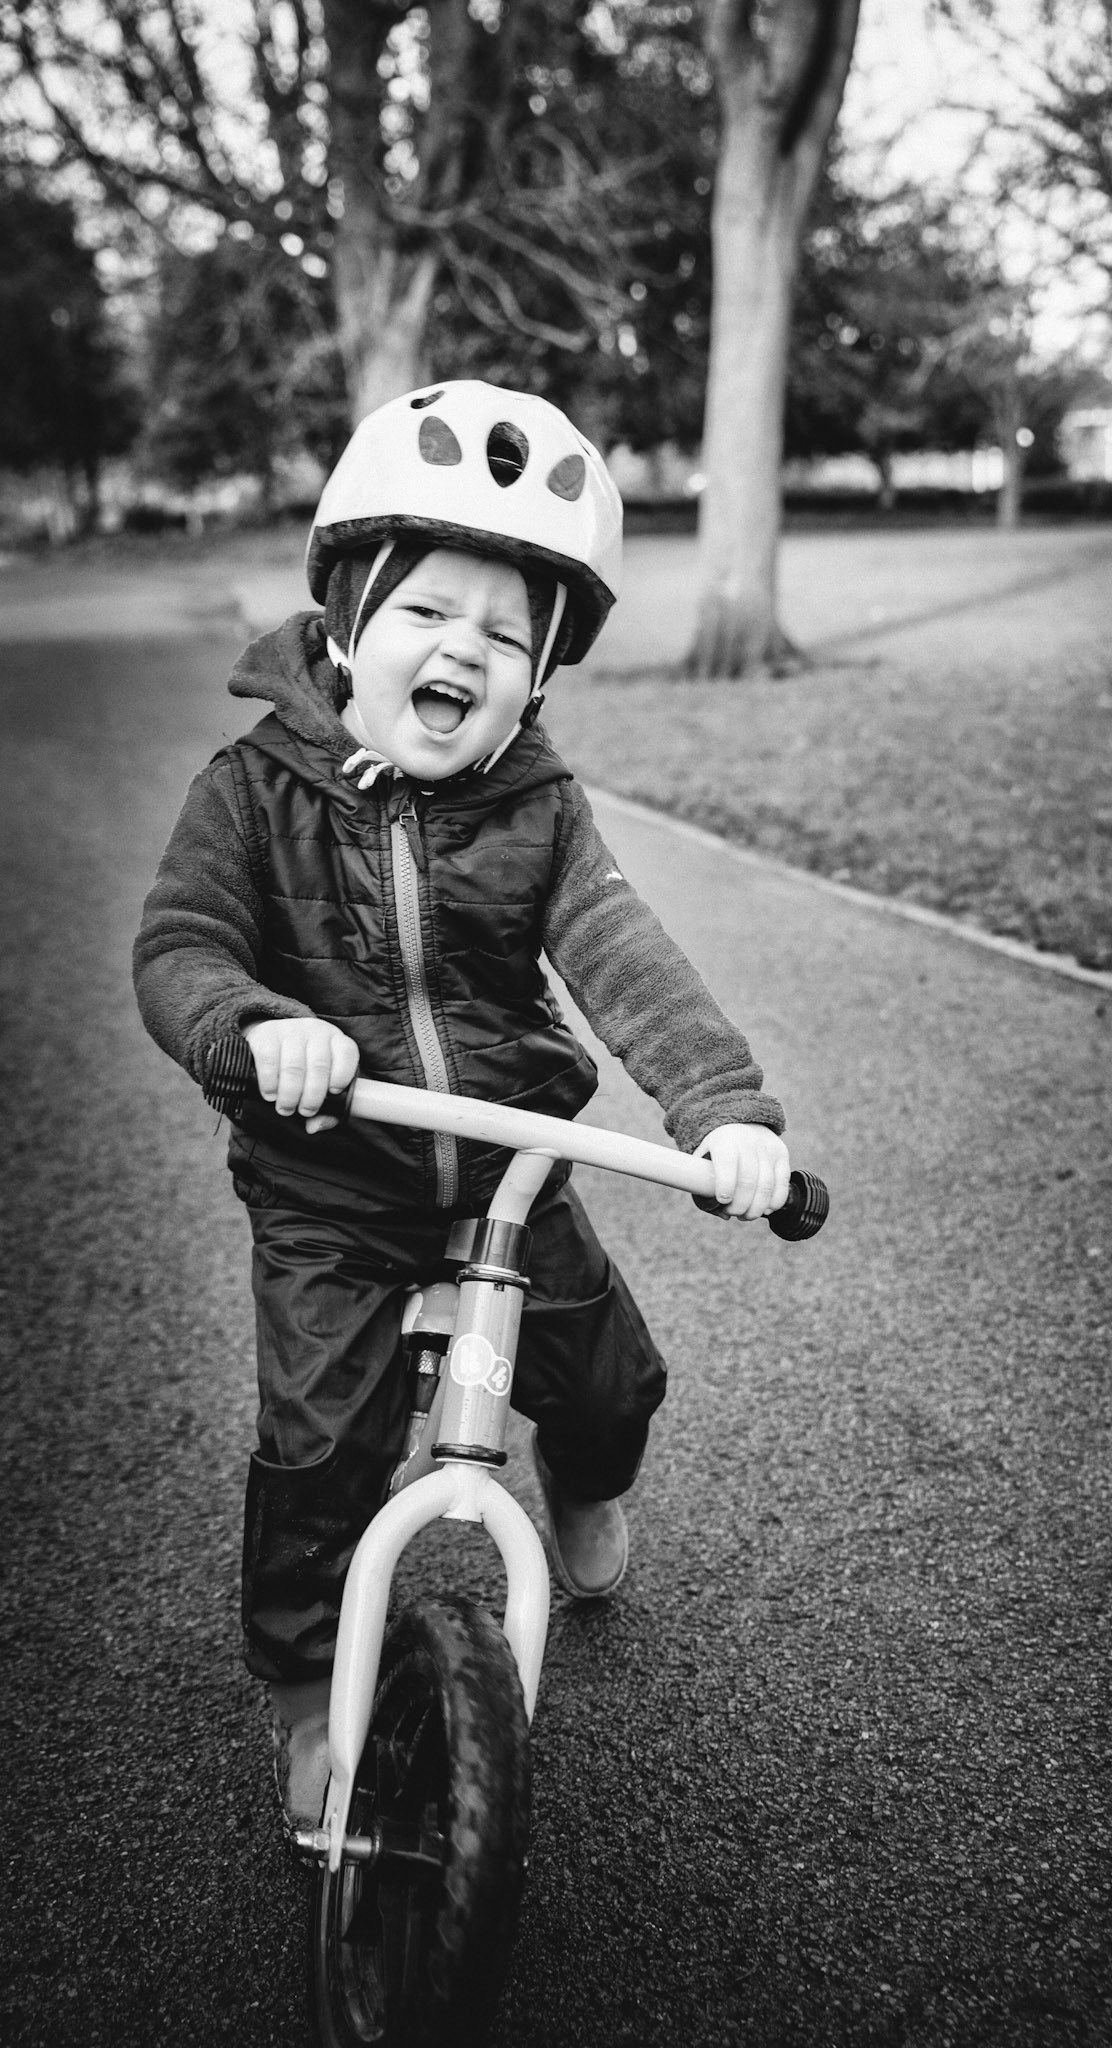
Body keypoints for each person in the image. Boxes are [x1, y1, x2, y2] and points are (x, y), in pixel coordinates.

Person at [133, 381, 790, 1830]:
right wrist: (255, 1026)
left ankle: (582, 1484)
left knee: (611, 1387)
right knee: (320, 1454)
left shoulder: (538, 808)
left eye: (505, 638)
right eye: (429, 610)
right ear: (346, 623)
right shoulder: (248, 794)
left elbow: (625, 952)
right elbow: (180, 948)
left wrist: (724, 1107)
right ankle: (313, 1691)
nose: (463, 651)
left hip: (507, 1179)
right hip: (330, 1186)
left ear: (537, 679)